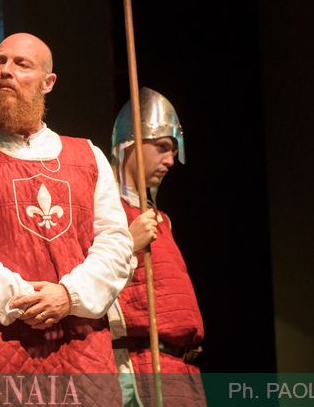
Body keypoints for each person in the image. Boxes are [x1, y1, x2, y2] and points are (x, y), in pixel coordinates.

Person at [0, 32, 133, 402]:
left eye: (21, 64)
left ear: (47, 82)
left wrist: (68, 295)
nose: (6, 71)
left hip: (81, 348)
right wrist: (23, 298)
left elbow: (116, 245)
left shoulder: (88, 156)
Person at [108, 88, 205, 405]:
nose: (170, 160)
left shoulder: (163, 220)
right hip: (136, 367)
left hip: (180, 370)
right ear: (130, 143)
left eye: (173, 151)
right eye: (162, 147)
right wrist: (127, 241)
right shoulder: (105, 211)